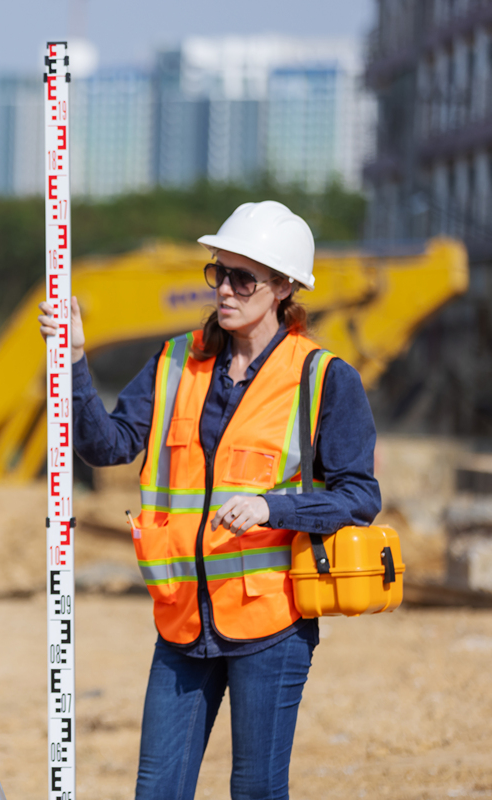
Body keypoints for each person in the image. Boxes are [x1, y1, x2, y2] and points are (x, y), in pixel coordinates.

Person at [39, 201, 380, 800]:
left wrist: (272, 509)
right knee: (158, 792)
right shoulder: (175, 362)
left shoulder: (324, 377)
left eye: (242, 278)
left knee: (255, 791)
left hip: (270, 624)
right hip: (181, 621)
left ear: (282, 288)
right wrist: (72, 363)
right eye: (217, 272)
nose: (224, 288)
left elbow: (359, 497)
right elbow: (107, 446)